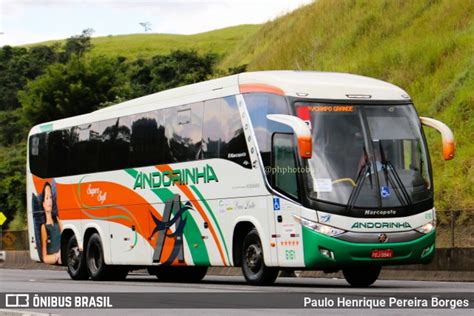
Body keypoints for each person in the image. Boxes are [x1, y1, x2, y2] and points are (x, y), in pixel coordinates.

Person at [40, 182, 63, 264]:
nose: (49, 201)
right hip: (56, 257)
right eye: (46, 198)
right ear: (43, 204)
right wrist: (56, 256)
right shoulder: (44, 227)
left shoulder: (57, 219)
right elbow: (45, 257)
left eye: (50, 197)